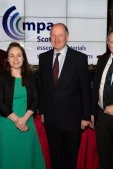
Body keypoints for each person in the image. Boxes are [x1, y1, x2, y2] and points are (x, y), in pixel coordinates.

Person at [38, 23, 91, 169]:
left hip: (72, 120)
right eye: (53, 35)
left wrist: (86, 116)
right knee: (55, 159)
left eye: (60, 35)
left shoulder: (79, 58)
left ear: (67, 37)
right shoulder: (43, 58)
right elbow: (42, 88)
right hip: (51, 119)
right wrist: (42, 111)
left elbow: (85, 89)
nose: (56, 39)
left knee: (70, 159)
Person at [0, 42, 46, 169]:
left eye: (19, 55)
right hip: (7, 125)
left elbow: (36, 100)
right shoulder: (1, 77)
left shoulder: (31, 77)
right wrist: (17, 120)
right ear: (7, 59)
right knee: (8, 160)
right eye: (12, 56)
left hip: (27, 123)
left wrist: (24, 120)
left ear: (24, 58)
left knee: (26, 159)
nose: (16, 59)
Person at [91, 29, 113, 169]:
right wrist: (92, 112)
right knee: (104, 158)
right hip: (102, 118)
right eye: (112, 41)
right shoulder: (103, 60)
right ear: (107, 43)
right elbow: (95, 88)